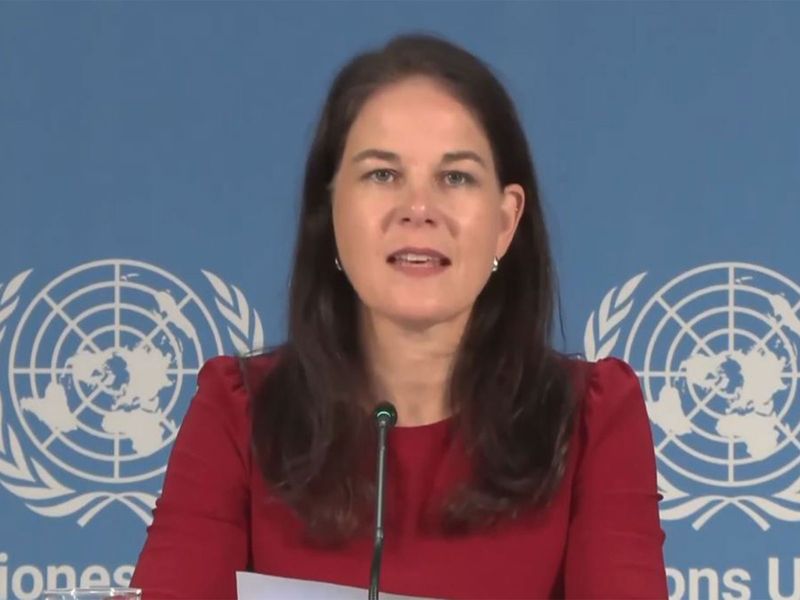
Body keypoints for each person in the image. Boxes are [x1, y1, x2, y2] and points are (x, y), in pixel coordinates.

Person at [131, 33, 668, 599]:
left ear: (506, 222)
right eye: (382, 175)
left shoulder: (590, 419)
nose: (418, 210)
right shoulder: (241, 411)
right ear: (329, 212)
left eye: (455, 177)